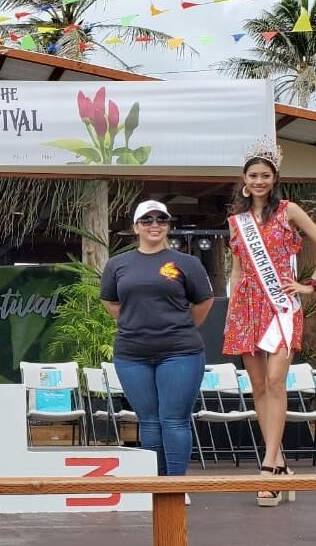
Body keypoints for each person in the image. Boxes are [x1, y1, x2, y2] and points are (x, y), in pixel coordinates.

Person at [222, 141, 316, 506]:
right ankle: (281, 463)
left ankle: (269, 466)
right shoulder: (237, 223)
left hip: (281, 305)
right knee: (257, 385)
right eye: (253, 175)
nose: (259, 181)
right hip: (247, 306)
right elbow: (238, 269)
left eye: (265, 176)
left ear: (274, 179)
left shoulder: (289, 211)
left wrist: (310, 284)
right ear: (244, 179)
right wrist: (231, 312)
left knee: (275, 380)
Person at [100, 200, 214, 482]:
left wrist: (180, 326)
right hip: (132, 354)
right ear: (135, 227)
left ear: (168, 225)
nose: (154, 225)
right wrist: (135, 323)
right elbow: (110, 301)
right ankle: (157, 484)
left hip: (180, 352)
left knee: (174, 420)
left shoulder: (187, 263)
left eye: (161, 220)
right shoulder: (118, 264)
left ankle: (175, 485)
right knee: (149, 422)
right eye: (147, 220)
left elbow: (203, 302)